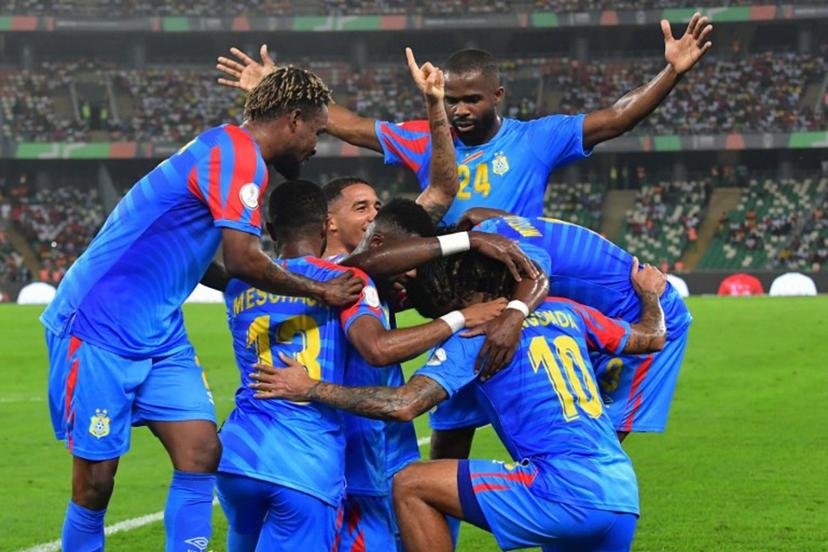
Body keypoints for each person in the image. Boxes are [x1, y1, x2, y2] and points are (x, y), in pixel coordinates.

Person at [40, 66, 364, 552]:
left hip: (160, 330)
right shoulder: (237, 156)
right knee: (95, 482)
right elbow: (242, 259)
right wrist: (320, 291)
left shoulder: (227, 149)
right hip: (98, 323)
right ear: (294, 120)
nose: (316, 145)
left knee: (201, 451)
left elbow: (214, 264)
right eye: (316, 131)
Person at [249, 251, 668, 551]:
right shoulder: (567, 312)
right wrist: (650, 294)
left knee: (411, 483)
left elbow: (403, 404)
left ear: (471, 291)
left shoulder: (477, 334)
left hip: (560, 491)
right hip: (621, 495)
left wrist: (311, 388)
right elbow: (652, 337)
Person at [216, 14, 713, 224]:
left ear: (497, 94)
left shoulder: (535, 139)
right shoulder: (422, 137)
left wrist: (671, 72)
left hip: (520, 295)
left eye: (472, 100)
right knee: (450, 427)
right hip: (450, 300)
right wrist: (273, 85)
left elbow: (614, 119)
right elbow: (340, 122)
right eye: (451, 99)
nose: (459, 110)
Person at [440, 210, 692, 445]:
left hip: (647, 314)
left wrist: (512, 317)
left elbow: (537, 276)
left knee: (594, 445)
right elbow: (474, 213)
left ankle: (583, 484)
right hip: (591, 316)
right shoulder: (489, 228)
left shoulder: (519, 255)